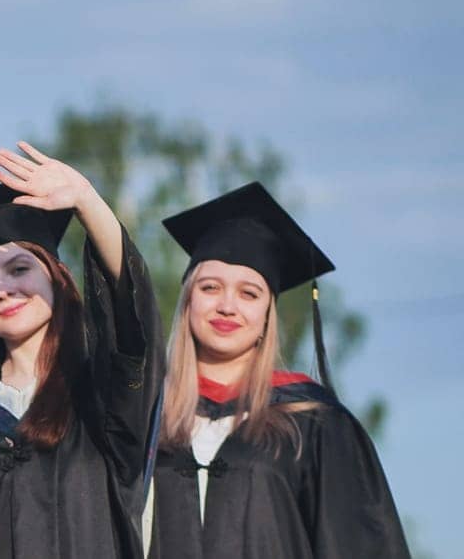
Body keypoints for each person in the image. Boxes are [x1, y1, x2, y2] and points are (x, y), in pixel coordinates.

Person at [0, 145, 161, 559]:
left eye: (19, 269)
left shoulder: (102, 400)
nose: (1, 289)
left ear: (56, 278)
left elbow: (130, 314)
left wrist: (87, 200)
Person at [148, 181, 409, 558]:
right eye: (209, 288)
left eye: (249, 294)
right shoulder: (149, 418)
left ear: (268, 315)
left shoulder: (312, 423)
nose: (227, 306)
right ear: (188, 301)